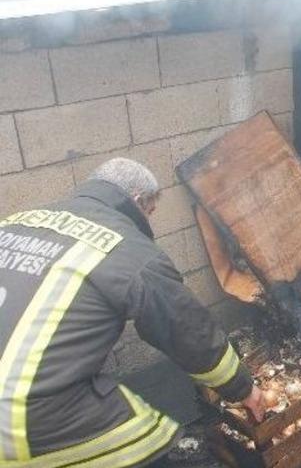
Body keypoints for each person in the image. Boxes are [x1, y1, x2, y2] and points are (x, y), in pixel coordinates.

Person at [0, 158, 265, 466]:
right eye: (150, 212)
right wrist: (242, 388)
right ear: (138, 201)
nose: (149, 222)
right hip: (25, 417)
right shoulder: (129, 248)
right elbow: (187, 331)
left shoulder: (17, 221)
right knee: (165, 446)